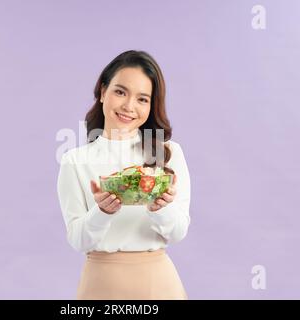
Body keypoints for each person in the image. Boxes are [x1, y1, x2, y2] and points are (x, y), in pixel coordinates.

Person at [57, 50, 191, 300]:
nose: (129, 106)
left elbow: (178, 232)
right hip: (99, 285)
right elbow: (78, 240)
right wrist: (102, 212)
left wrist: (159, 207)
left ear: (151, 106)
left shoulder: (168, 153)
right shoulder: (74, 161)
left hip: (159, 285)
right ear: (102, 92)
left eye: (142, 99)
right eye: (120, 92)